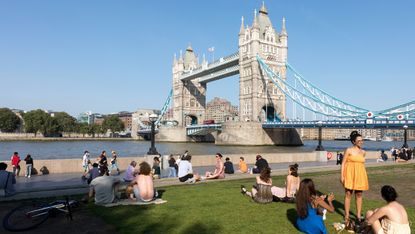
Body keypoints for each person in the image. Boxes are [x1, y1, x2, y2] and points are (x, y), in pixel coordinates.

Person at [341, 131, 369, 231]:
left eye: (362, 140)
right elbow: (343, 163)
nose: (361, 142)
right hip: (349, 174)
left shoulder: (363, 152)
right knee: (348, 194)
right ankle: (347, 216)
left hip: (360, 175)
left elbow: (361, 164)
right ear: (354, 142)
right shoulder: (348, 150)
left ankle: (358, 216)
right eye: (359, 140)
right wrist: (342, 176)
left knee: (359, 194)